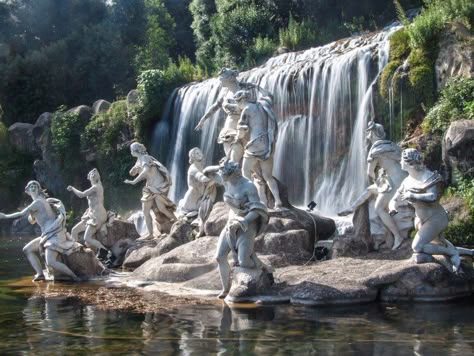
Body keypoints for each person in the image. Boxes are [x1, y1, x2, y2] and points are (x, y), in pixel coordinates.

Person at [204, 160, 269, 299]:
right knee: (220, 256)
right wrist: (221, 166)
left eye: (225, 174)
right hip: (231, 222)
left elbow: (257, 210)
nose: (222, 177)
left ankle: (259, 267)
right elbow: (207, 172)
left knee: (244, 262)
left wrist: (243, 221)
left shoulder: (248, 186)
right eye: (222, 174)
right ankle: (225, 289)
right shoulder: (226, 180)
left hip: (247, 224)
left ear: (234, 174)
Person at [389, 148, 462, 272]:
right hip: (420, 219)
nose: (400, 161)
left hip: (436, 218)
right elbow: (394, 199)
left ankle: (451, 252)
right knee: (438, 242)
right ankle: (463, 251)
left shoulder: (427, 176)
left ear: (409, 162)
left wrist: (413, 196)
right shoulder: (407, 181)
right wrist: (392, 207)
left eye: (402, 159)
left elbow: (432, 197)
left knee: (417, 247)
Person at [339, 121, 406, 250]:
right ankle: (351, 208)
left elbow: (369, 171)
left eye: (368, 133)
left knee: (379, 208)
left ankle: (398, 236)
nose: (366, 135)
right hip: (402, 177)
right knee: (369, 190)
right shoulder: (392, 145)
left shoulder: (375, 149)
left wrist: (375, 179)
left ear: (372, 133)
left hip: (394, 181)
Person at [0, 181, 79, 281]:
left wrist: (5, 216)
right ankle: (40, 274)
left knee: (50, 261)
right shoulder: (38, 202)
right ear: (27, 191)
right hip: (46, 235)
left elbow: (21, 214)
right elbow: (32, 220)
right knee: (27, 250)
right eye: (31, 186)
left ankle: (75, 277)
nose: (33, 187)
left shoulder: (38, 201)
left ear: (39, 189)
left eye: (35, 186)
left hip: (54, 234)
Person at [194, 67, 273, 163]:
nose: (220, 80)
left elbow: (267, 96)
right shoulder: (226, 93)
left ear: (230, 78)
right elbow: (215, 106)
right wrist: (202, 120)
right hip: (228, 128)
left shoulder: (243, 92)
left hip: (243, 126)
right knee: (230, 155)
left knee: (245, 157)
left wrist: (256, 87)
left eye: (222, 78)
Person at [233, 89, 283, 210]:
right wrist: (257, 87)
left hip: (255, 144)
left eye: (237, 102)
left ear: (241, 100)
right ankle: (278, 202)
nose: (238, 106)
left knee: (245, 172)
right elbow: (269, 95)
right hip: (267, 144)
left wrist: (237, 137)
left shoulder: (247, 109)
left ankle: (251, 200)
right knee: (268, 176)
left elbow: (241, 130)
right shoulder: (262, 104)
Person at [124, 142, 176, 239]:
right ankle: (150, 233)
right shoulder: (139, 160)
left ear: (135, 151)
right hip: (150, 187)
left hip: (157, 186)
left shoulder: (145, 158)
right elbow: (135, 171)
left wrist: (134, 181)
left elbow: (146, 170)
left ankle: (177, 222)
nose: (130, 152)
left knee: (161, 208)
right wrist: (133, 171)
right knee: (145, 211)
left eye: (131, 150)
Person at [67, 168, 109, 260]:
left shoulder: (96, 187)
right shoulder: (97, 185)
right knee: (74, 230)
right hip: (91, 214)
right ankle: (75, 251)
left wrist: (72, 188)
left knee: (87, 238)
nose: (92, 176)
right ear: (89, 177)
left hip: (97, 215)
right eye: (91, 175)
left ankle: (105, 251)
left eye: (93, 175)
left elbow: (81, 195)